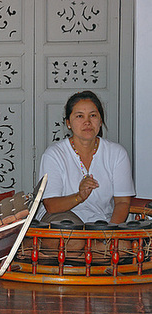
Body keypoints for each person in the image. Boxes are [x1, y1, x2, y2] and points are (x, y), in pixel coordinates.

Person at [36, 90, 135, 225]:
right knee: (73, 238)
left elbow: (122, 202)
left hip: (102, 223)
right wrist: (79, 196)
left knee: (120, 244)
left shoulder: (117, 153)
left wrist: (109, 235)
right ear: (68, 123)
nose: (87, 122)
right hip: (61, 220)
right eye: (79, 116)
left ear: (100, 121)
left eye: (93, 115)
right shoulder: (54, 154)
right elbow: (51, 206)